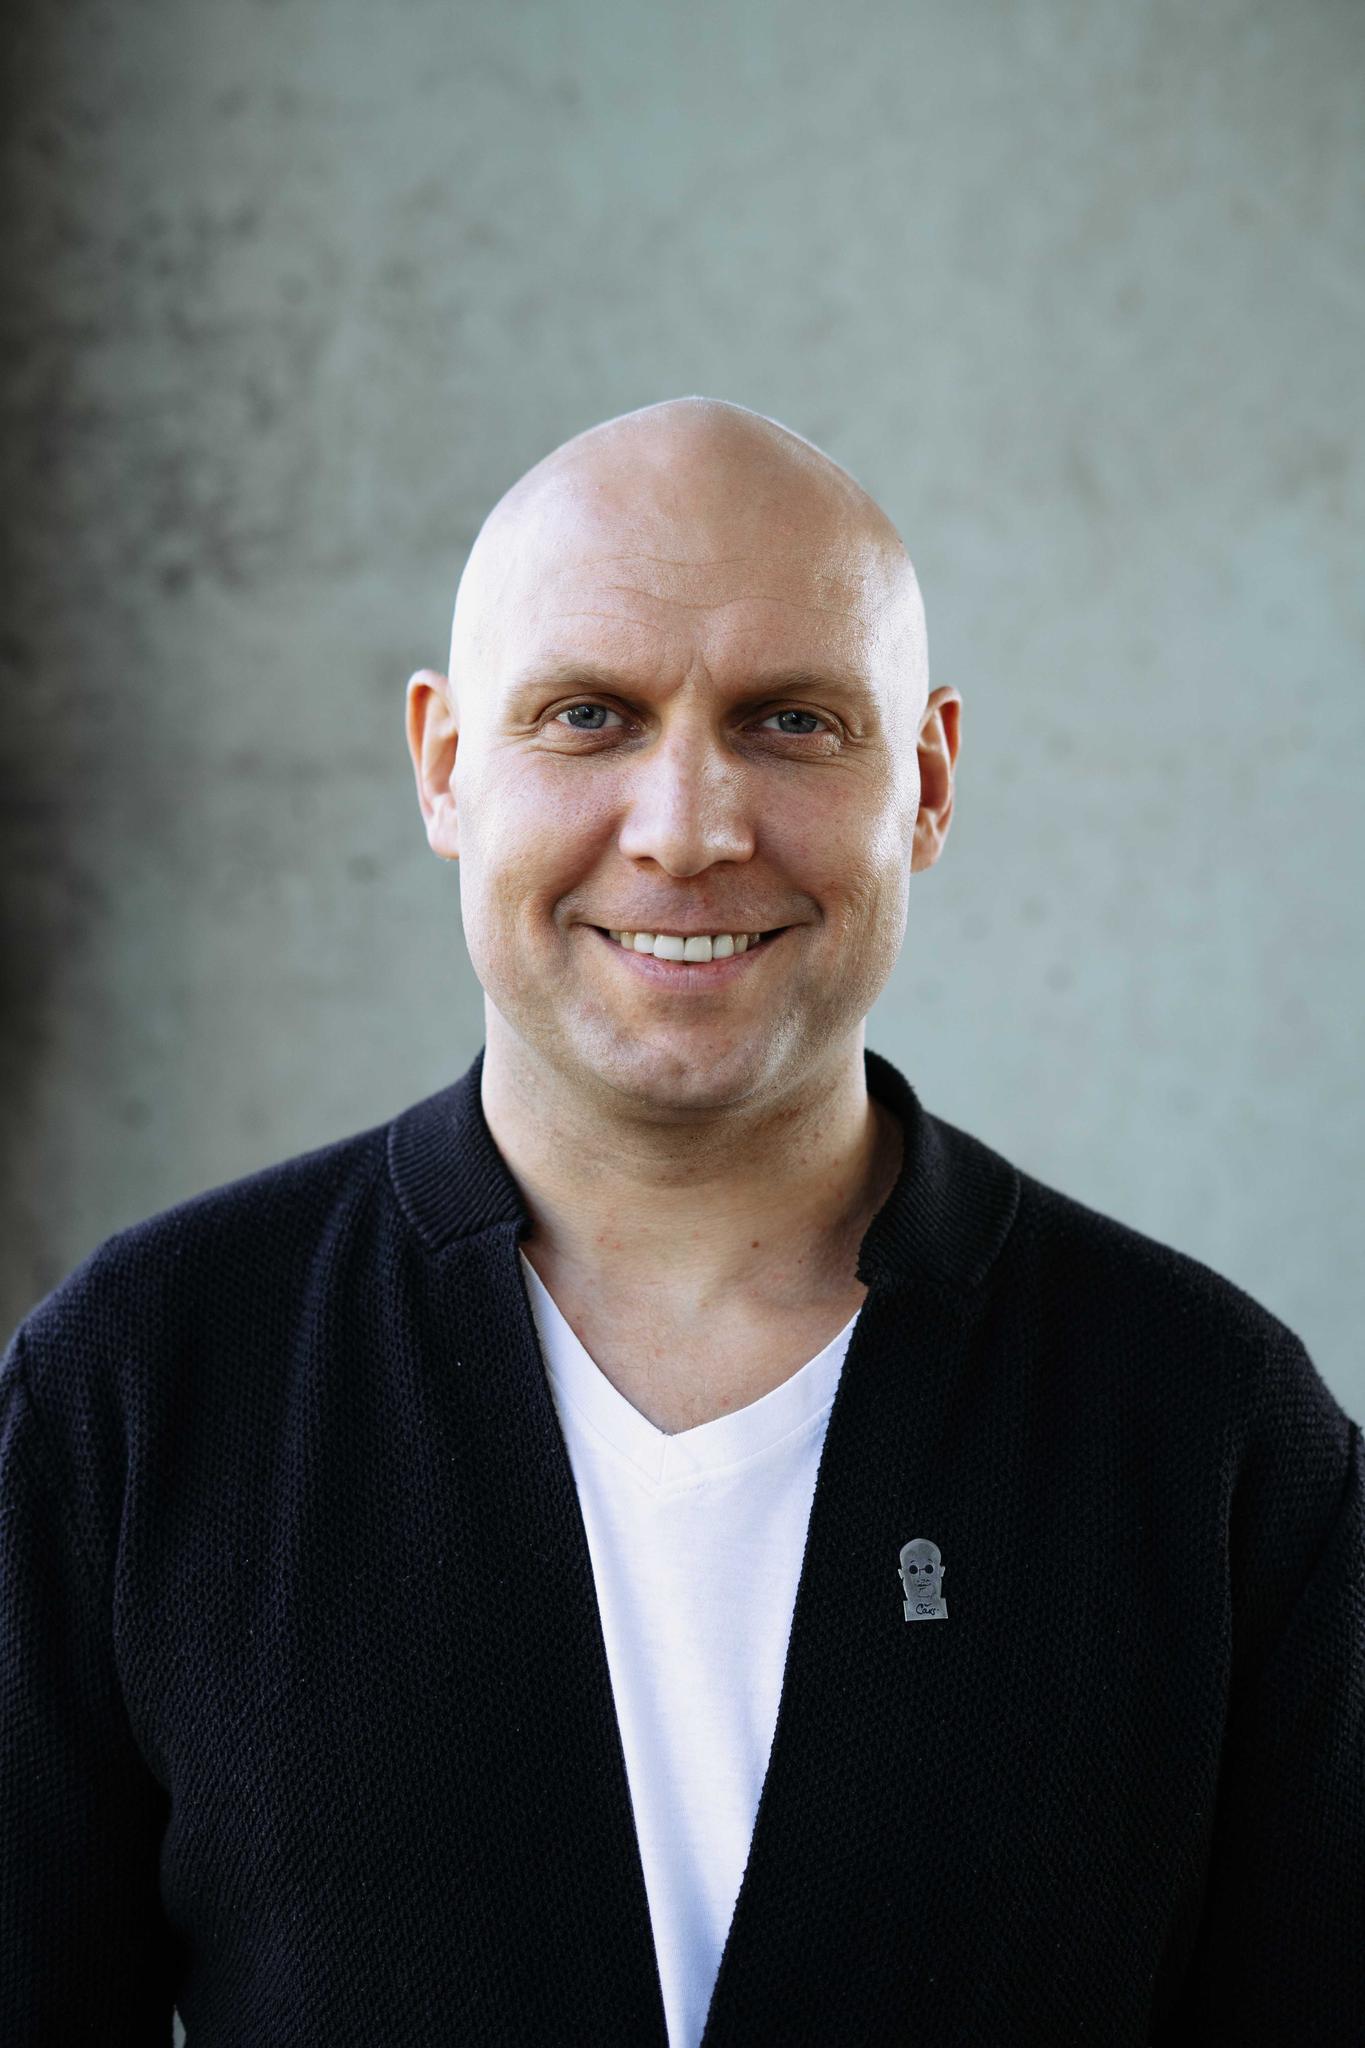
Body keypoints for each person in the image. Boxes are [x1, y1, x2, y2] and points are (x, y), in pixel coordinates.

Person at [1, 398, 1360, 2048]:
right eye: (587, 717)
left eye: (790, 721)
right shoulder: (143, 1385)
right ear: (443, 766)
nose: (688, 827)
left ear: (925, 784)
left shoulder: (1205, 1427)